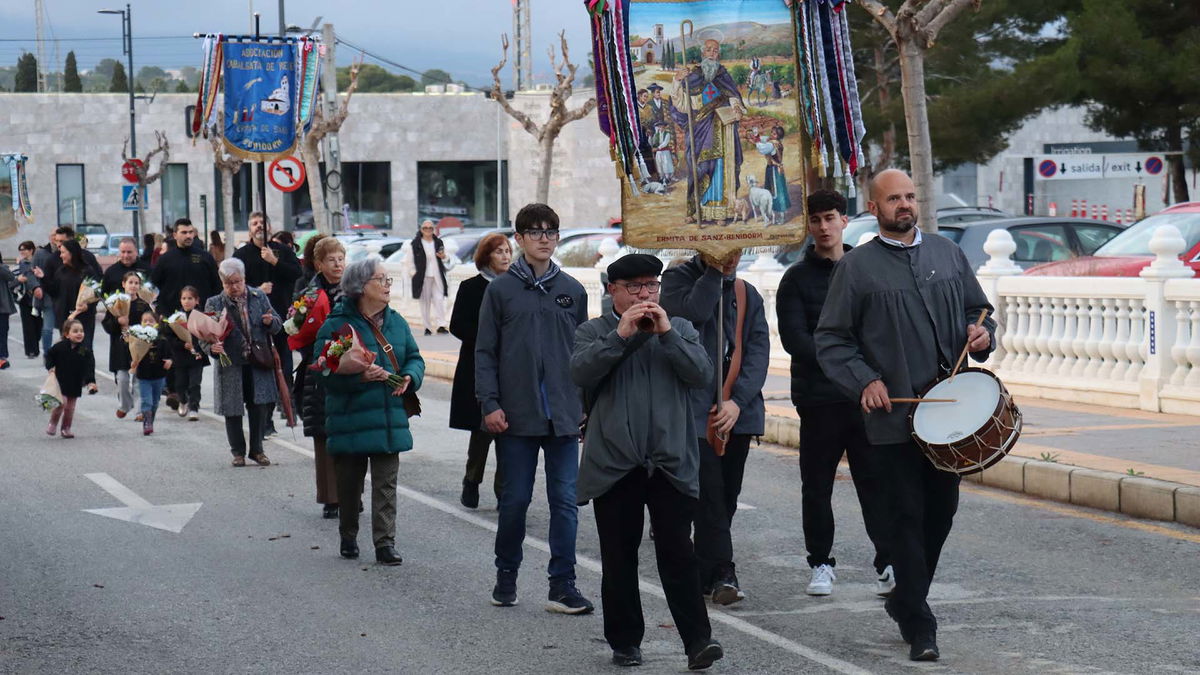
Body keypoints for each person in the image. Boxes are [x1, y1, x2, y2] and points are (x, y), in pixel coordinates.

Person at [815, 169, 995, 662]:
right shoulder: (857, 269)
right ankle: (920, 623)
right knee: (906, 517)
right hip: (894, 420)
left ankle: (904, 598)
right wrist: (865, 380)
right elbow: (831, 339)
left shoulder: (947, 254)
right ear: (874, 207)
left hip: (951, 420)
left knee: (941, 514)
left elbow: (980, 312)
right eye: (893, 198)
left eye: (910, 196)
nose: (904, 205)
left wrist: (980, 335)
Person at [572, 254, 724, 671]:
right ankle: (625, 641)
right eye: (635, 287)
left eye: (651, 286)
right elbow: (580, 373)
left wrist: (668, 334)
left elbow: (701, 376)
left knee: (678, 552)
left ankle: (698, 641)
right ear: (613, 291)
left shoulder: (681, 328)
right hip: (614, 463)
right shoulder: (592, 331)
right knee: (619, 555)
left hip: (669, 460)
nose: (645, 295)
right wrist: (620, 337)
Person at [475, 202, 593, 613]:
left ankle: (562, 584)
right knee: (516, 500)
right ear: (520, 238)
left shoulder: (573, 291)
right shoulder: (500, 290)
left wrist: (584, 406)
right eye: (536, 232)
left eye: (551, 231)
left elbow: (585, 354)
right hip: (516, 416)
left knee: (565, 501)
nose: (544, 238)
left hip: (563, 416)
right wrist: (489, 403)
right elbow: (485, 352)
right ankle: (506, 573)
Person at [777, 189, 893, 597]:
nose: (823, 227)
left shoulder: (865, 270)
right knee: (817, 486)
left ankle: (887, 561)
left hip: (866, 399)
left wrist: (867, 377)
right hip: (819, 398)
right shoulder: (794, 279)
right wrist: (847, 367)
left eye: (830, 218)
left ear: (845, 220)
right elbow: (797, 341)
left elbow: (879, 332)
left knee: (875, 483)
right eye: (816, 220)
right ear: (807, 226)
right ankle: (821, 564)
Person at [661, 250, 769, 605]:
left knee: (726, 497)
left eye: (737, 250)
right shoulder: (677, 281)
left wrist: (738, 401)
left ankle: (707, 568)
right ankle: (724, 569)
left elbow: (757, 350)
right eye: (724, 248)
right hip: (692, 411)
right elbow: (693, 315)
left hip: (736, 411)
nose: (732, 256)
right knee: (709, 495)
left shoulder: (746, 292)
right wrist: (711, 273)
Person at [316, 256, 424, 566]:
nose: (388, 285)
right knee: (349, 486)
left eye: (388, 279)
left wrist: (409, 377)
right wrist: (358, 376)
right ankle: (348, 533)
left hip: (389, 416)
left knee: (386, 485)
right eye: (382, 280)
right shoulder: (335, 325)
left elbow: (415, 358)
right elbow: (323, 374)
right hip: (350, 418)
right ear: (362, 287)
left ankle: (384, 542)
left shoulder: (397, 322)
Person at [449, 232, 512, 509]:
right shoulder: (471, 287)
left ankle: (504, 491)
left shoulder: (516, 286)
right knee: (483, 429)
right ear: (487, 256)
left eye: (508, 251)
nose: (506, 256)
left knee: (509, 431)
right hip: (478, 365)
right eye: (499, 251)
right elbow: (457, 325)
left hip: (511, 366)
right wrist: (487, 339)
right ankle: (472, 479)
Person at [287, 236, 347, 519]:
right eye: (331, 260)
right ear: (318, 264)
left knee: (349, 432)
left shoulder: (354, 290)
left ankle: (351, 492)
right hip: (317, 369)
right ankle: (331, 497)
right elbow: (294, 328)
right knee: (323, 433)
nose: (337, 265)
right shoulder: (308, 292)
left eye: (341, 259)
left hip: (349, 365)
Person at [202, 257, 281, 467]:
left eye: (237, 282)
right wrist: (212, 348)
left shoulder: (259, 296)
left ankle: (257, 450)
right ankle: (237, 452)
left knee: (259, 406)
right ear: (222, 283)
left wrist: (270, 322)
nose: (234, 287)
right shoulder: (214, 303)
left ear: (244, 278)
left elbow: (278, 323)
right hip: (230, 364)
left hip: (257, 361)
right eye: (228, 283)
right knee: (232, 408)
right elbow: (204, 334)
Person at [233, 212, 303, 435]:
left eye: (262, 223)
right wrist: (256, 291)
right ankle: (262, 420)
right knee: (258, 371)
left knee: (280, 368)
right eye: (254, 223)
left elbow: (296, 273)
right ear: (249, 228)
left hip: (280, 320)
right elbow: (233, 285)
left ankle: (280, 409)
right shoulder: (242, 254)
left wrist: (275, 262)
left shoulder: (282, 251)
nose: (259, 227)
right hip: (252, 324)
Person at [668, 38, 745, 225]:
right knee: (699, 168)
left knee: (721, 168)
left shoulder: (723, 75)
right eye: (709, 50)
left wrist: (736, 107)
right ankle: (695, 211)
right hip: (700, 130)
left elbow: (734, 96)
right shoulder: (692, 76)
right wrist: (677, 81)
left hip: (722, 129)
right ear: (703, 53)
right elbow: (681, 104)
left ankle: (721, 212)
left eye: (716, 51)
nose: (712, 53)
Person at [99, 271, 153, 420]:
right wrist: (118, 322)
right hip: (121, 347)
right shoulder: (115, 303)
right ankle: (125, 404)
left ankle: (139, 411)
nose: (133, 286)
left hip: (139, 348)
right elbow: (107, 325)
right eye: (130, 282)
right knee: (122, 380)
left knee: (138, 381)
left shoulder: (143, 305)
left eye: (136, 283)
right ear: (123, 284)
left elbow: (151, 324)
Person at [150, 218, 221, 317]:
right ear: (175, 235)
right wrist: (161, 311)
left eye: (190, 232)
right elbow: (154, 286)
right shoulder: (165, 260)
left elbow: (217, 285)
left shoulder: (205, 257)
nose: (188, 236)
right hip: (172, 317)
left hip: (203, 316)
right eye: (184, 232)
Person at [45, 318, 98, 438]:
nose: (79, 333)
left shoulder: (85, 350)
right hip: (60, 381)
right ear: (67, 334)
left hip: (75, 382)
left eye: (81, 331)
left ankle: (66, 428)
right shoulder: (60, 347)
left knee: (70, 408)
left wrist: (91, 382)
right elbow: (49, 356)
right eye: (75, 331)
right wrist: (50, 367)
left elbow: (89, 367)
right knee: (61, 403)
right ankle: (53, 423)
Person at [167, 286, 209, 421]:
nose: (186, 301)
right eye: (184, 298)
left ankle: (194, 407)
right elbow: (170, 337)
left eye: (190, 298)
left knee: (195, 383)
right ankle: (183, 400)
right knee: (180, 383)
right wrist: (182, 344)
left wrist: (196, 345)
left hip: (197, 356)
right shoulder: (175, 318)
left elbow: (207, 335)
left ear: (197, 301)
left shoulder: (201, 316)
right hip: (180, 357)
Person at [52, 239, 102, 350]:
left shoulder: (87, 271)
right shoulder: (61, 271)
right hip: (66, 318)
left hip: (84, 318)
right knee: (67, 350)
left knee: (84, 349)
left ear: (72, 253)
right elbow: (55, 292)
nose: (61, 256)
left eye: (63, 252)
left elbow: (96, 293)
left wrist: (88, 306)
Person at [132, 309, 172, 436]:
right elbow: (132, 354)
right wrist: (133, 362)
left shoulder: (162, 340)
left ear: (157, 323)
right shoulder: (137, 340)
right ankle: (147, 423)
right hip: (144, 376)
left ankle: (150, 420)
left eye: (151, 321)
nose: (148, 323)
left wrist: (170, 361)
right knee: (146, 400)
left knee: (155, 402)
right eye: (145, 321)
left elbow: (170, 355)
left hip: (159, 376)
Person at [410, 220, 449, 336]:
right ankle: (427, 326)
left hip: (437, 275)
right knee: (425, 302)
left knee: (439, 300)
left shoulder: (438, 242)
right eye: (425, 228)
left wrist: (444, 257)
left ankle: (441, 325)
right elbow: (409, 261)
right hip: (422, 276)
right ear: (421, 230)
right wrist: (413, 273)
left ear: (434, 230)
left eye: (430, 228)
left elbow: (446, 259)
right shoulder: (415, 243)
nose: (428, 230)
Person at [14, 241, 43, 359]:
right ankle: (31, 350)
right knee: (27, 326)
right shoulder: (20, 264)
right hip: (25, 298)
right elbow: (12, 280)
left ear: (31, 250)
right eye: (20, 250)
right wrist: (19, 280)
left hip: (37, 298)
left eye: (24, 249)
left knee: (38, 324)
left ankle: (35, 343)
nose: (22, 252)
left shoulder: (38, 263)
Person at [763, 126, 792, 220]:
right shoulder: (777, 143)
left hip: (774, 169)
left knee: (777, 191)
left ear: (778, 136)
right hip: (774, 168)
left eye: (774, 134)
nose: (772, 134)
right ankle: (775, 214)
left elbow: (770, 157)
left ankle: (781, 217)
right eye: (771, 132)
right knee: (775, 190)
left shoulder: (773, 144)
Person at [0, 254, 17, 369]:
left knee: (3, 331)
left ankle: (2, 356)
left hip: (2, 307)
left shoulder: (2, 268)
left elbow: (10, 276)